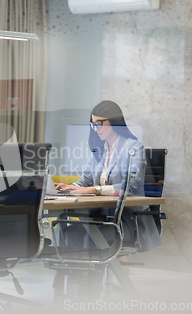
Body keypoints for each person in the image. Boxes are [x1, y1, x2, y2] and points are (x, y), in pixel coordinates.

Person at [54, 100, 161, 298]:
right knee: (69, 232)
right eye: (92, 124)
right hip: (99, 218)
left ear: (114, 122)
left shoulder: (133, 148)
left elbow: (132, 186)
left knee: (90, 236)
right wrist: (70, 188)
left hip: (125, 221)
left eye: (99, 123)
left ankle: (89, 297)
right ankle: (70, 293)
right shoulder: (99, 150)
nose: (95, 129)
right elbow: (85, 180)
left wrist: (94, 190)